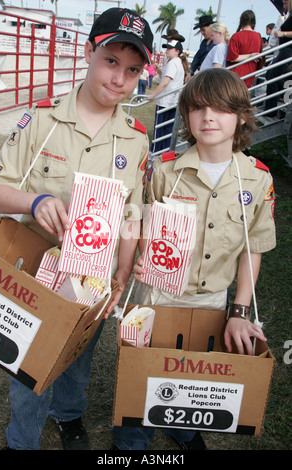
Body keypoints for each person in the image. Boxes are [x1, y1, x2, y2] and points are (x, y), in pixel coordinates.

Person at [0, 7, 153, 450]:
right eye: (111, 61)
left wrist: (122, 272)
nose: (120, 78)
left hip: (93, 278)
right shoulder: (41, 120)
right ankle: (21, 439)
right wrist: (36, 201)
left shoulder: (135, 138)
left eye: (133, 69)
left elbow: (132, 214)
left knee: (77, 358)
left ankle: (69, 416)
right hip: (33, 272)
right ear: (88, 52)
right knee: (28, 366)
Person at [113, 68, 276, 451]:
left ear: (241, 116)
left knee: (193, 374)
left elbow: (254, 248)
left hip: (211, 300)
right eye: (198, 108)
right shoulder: (165, 169)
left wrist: (239, 311)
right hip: (157, 296)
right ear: (185, 115)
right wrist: (139, 253)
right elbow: (137, 220)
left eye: (220, 108)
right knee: (144, 372)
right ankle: (132, 440)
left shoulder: (257, 180)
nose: (208, 117)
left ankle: (182, 428)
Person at [148, 40, 184, 155]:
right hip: (172, 102)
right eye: (166, 48)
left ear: (177, 51)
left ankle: (154, 155)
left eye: (170, 48)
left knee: (160, 131)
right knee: (167, 131)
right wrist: (159, 71)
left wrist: (153, 96)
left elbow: (165, 82)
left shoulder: (173, 63)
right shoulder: (176, 63)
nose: (167, 50)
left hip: (166, 102)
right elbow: (165, 79)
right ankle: (164, 155)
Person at [264, 0, 292, 116]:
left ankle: (270, 110)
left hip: (288, 51)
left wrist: (283, 34)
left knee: (273, 76)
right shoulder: (289, 16)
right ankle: (286, 93)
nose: (284, 6)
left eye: (285, 3)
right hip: (283, 51)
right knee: (269, 73)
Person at [227, 10, 263, 88]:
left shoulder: (236, 36)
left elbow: (233, 58)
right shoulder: (258, 37)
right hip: (250, 74)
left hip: (235, 75)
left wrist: (248, 56)